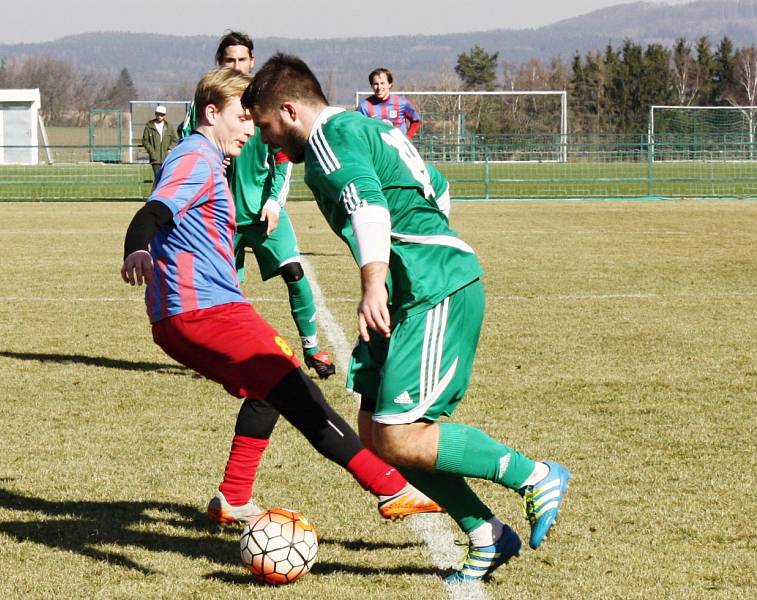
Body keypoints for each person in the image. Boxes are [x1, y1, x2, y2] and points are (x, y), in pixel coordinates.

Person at [242, 53, 571, 583]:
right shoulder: (366, 128)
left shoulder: (330, 139)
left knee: (399, 434)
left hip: (432, 288)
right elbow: (438, 188)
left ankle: (534, 476)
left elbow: (369, 208)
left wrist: (381, 279)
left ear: (289, 109)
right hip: (410, 289)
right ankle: (486, 534)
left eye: (267, 126)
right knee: (375, 434)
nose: (268, 140)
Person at [121, 67, 441, 535]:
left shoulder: (208, 159)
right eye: (242, 118)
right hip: (202, 310)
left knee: (270, 385)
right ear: (212, 113)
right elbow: (153, 211)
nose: (250, 130)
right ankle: (390, 486)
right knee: (296, 388)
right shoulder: (195, 157)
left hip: (199, 309)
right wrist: (138, 247)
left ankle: (233, 497)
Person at [178, 31, 338, 527]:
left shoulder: (262, 104)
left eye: (244, 58)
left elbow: (282, 160)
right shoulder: (205, 109)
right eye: (229, 60)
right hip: (223, 217)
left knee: (294, 272)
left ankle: (311, 344)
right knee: (230, 294)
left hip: (265, 212)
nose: (239, 64)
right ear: (219, 64)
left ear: (254, 61)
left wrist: (274, 203)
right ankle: (237, 359)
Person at [356, 68, 421, 140]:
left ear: (390, 84)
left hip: (398, 148)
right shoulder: (364, 106)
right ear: (372, 86)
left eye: (382, 83)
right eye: (376, 84)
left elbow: (416, 121)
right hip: (376, 149)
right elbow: (355, 126)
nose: (379, 87)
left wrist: (407, 137)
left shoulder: (402, 103)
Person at [141, 105, 178, 184]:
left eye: (162, 114)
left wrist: (170, 149)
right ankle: (158, 195)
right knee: (158, 179)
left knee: (166, 179)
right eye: (158, 114)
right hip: (155, 159)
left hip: (167, 158)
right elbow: (145, 140)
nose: (159, 116)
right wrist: (152, 152)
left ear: (164, 115)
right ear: (155, 113)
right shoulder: (149, 126)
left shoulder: (169, 127)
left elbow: (175, 139)